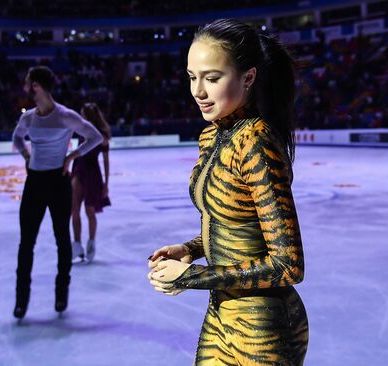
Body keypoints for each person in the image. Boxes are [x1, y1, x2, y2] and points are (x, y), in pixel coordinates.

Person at [147, 19, 308, 365]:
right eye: (192, 77)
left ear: (248, 78)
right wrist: (191, 249)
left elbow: (288, 265)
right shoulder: (212, 136)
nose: (198, 91)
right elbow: (236, 225)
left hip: (263, 326)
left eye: (212, 78)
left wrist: (192, 277)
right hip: (221, 315)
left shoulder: (256, 142)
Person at [12, 66, 103, 319]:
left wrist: (72, 155)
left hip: (58, 182)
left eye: (27, 83)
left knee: (62, 239)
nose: (24, 87)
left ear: (36, 87)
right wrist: (26, 155)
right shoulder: (28, 118)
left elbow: (95, 137)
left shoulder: (65, 116)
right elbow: (17, 139)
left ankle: (61, 294)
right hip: (34, 183)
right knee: (26, 243)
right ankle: (21, 300)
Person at [71, 102, 111, 262]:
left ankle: (91, 243)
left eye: (83, 114)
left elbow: (107, 162)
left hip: (93, 174)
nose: (81, 117)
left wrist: (106, 184)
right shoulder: (81, 130)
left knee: (89, 210)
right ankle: (76, 244)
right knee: (74, 210)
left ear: (88, 116)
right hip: (78, 170)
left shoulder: (101, 137)